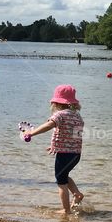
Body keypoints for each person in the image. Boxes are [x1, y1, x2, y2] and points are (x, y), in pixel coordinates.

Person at [25, 84, 85, 213]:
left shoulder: (60, 115)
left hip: (65, 155)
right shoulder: (77, 116)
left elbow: (48, 126)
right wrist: (56, 145)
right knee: (64, 175)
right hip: (76, 154)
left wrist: (32, 133)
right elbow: (73, 136)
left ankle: (66, 210)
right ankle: (77, 194)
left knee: (60, 181)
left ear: (56, 103)